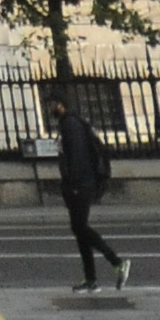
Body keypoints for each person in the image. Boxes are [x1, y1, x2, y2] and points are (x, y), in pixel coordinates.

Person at [52, 93, 130, 289]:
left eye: (52, 104)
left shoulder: (71, 125)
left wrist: (74, 184)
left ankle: (116, 262)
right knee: (79, 229)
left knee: (80, 227)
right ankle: (90, 279)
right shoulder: (70, 123)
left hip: (80, 184)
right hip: (79, 183)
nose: (50, 108)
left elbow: (77, 157)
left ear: (61, 105)